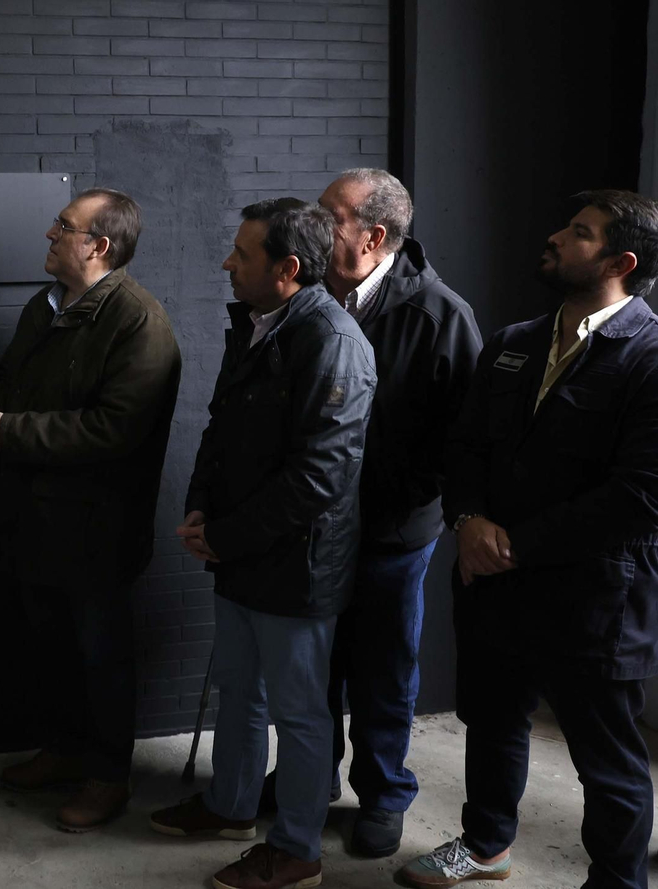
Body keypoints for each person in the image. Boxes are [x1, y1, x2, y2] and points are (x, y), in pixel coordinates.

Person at [398, 190, 658, 889]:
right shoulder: (514, 342)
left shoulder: (650, 356)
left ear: (621, 263)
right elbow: (463, 446)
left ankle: (617, 881)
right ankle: (486, 845)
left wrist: (514, 543)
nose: (556, 237)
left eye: (580, 232)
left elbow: (641, 494)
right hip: (495, 583)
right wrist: (468, 520)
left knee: (607, 760)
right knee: (492, 723)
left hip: (594, 595)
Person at [254, 169, 484, 857]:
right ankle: (310, 775)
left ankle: (383, 795)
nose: (314, 221)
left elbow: (467, 439)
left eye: (331, 215)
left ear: (373, 235)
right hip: (312, 525)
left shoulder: (440, 315)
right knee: (312, 662)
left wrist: (395, 495)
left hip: (391, 531)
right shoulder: (307, 299)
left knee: (383, 667)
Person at [150, 198, 376, 889]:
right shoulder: (256, 325)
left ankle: (298, 848)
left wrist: (223, 535)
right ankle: (231, 805)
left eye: (242, 254)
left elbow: (319, 478)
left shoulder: (333, 342)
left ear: (288, 268)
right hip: (242, 553)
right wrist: (199, 506)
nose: (227, 263)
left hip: (296, 566)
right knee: (238, 689)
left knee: (300, 714)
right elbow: (219, 430)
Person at [0, 187, 182, 832]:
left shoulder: (139, 323)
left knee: (101, 657)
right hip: (34, 520)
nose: (50, 234)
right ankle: (63, 752)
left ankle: (107, 776)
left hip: (96, 530)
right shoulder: (46, 306)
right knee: (53, 649)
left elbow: (115, 430)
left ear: (98, 246)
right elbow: (9, 375)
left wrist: (10, 433)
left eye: (63, 226)